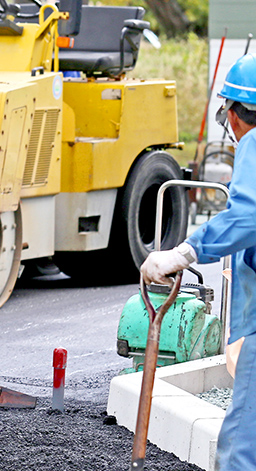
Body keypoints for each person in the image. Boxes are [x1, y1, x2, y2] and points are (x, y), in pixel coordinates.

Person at [139, 53, 256, 470]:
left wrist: (184, 252)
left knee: (242, 446)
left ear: (236, 114)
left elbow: (247, 216)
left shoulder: (255, 143)